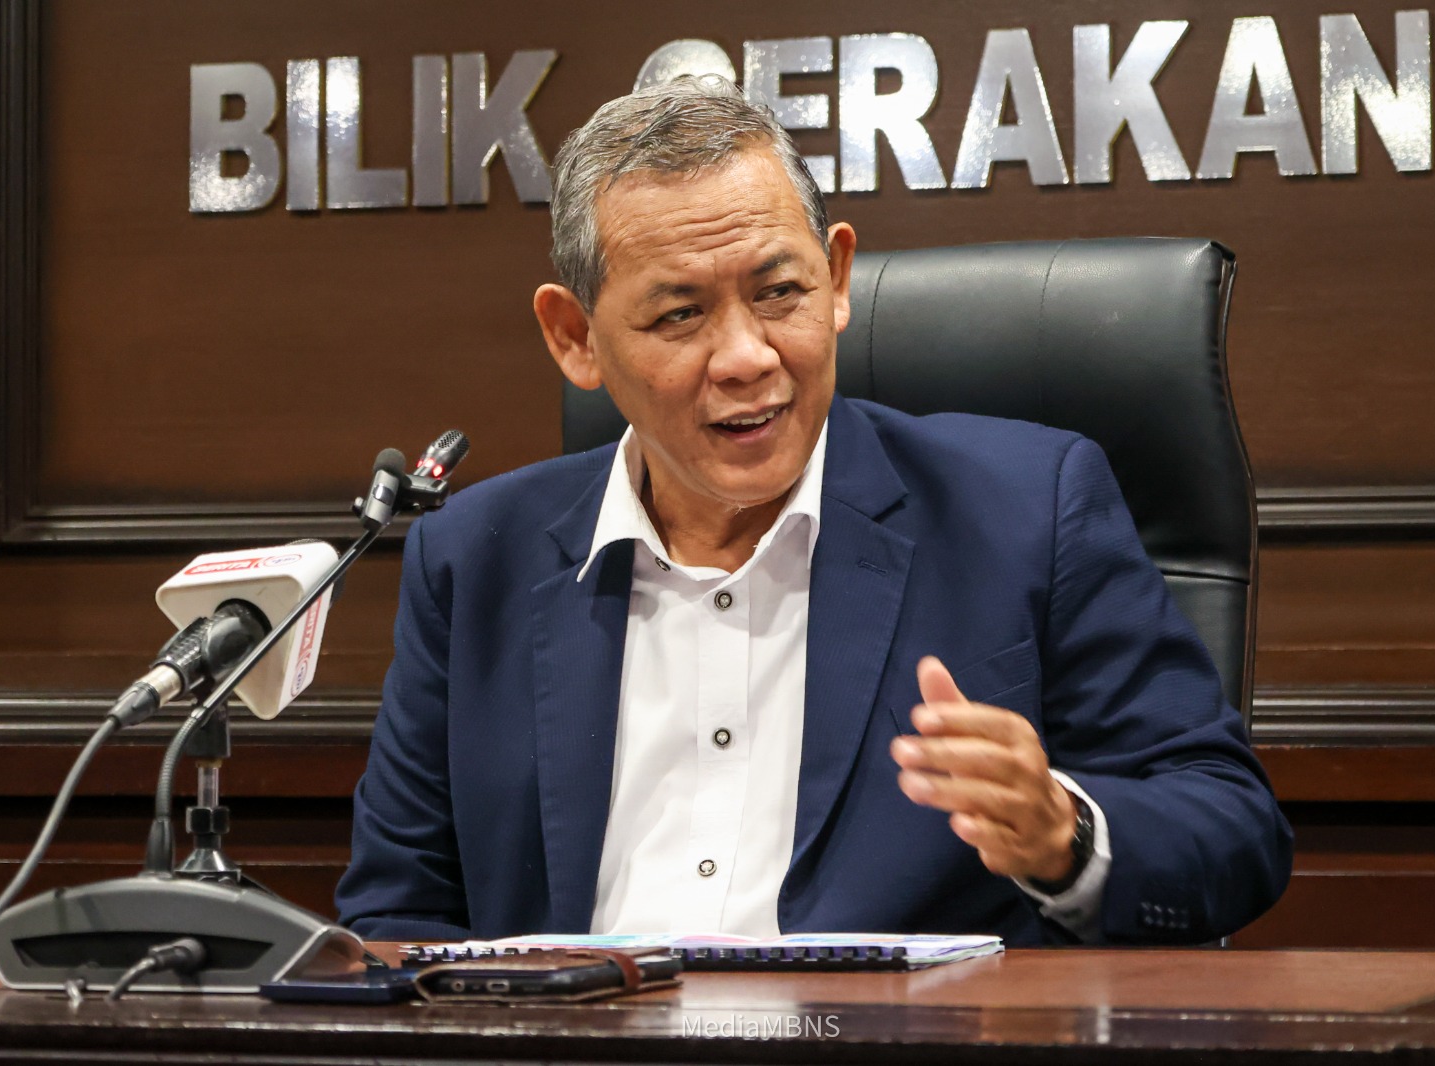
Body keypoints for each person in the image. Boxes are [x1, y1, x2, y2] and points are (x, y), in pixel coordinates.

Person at [335, 76, 1292, 946]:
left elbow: (1230, 827)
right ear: (576, 337)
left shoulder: (1024, 510)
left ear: (836, 281)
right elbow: (396, 919)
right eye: (680, 315)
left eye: (779, 292)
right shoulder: (474, 561)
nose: (747, 356)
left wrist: (1062, 833)